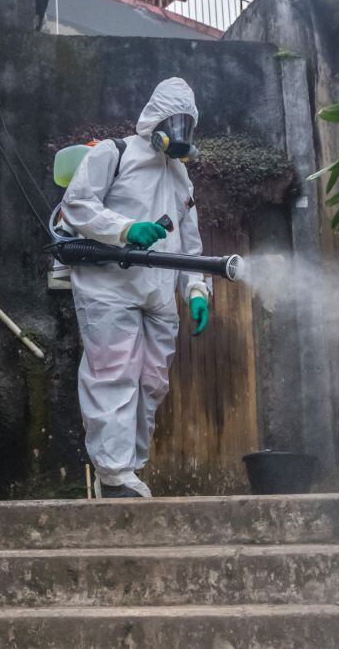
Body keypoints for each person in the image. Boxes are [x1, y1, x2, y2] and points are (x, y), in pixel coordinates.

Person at [61, 78, 210, 498]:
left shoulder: (182, 178)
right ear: (155, 119)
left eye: (187, 124)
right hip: (109, 287)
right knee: (114, 374)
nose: (180, 131)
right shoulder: (115, 152)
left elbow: (190, 244)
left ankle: (130, 471)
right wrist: (125, 228)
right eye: (174, 121)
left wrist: (196, 290)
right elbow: (77, 205)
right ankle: (112, 477)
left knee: (151, 383)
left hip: (159, 295)